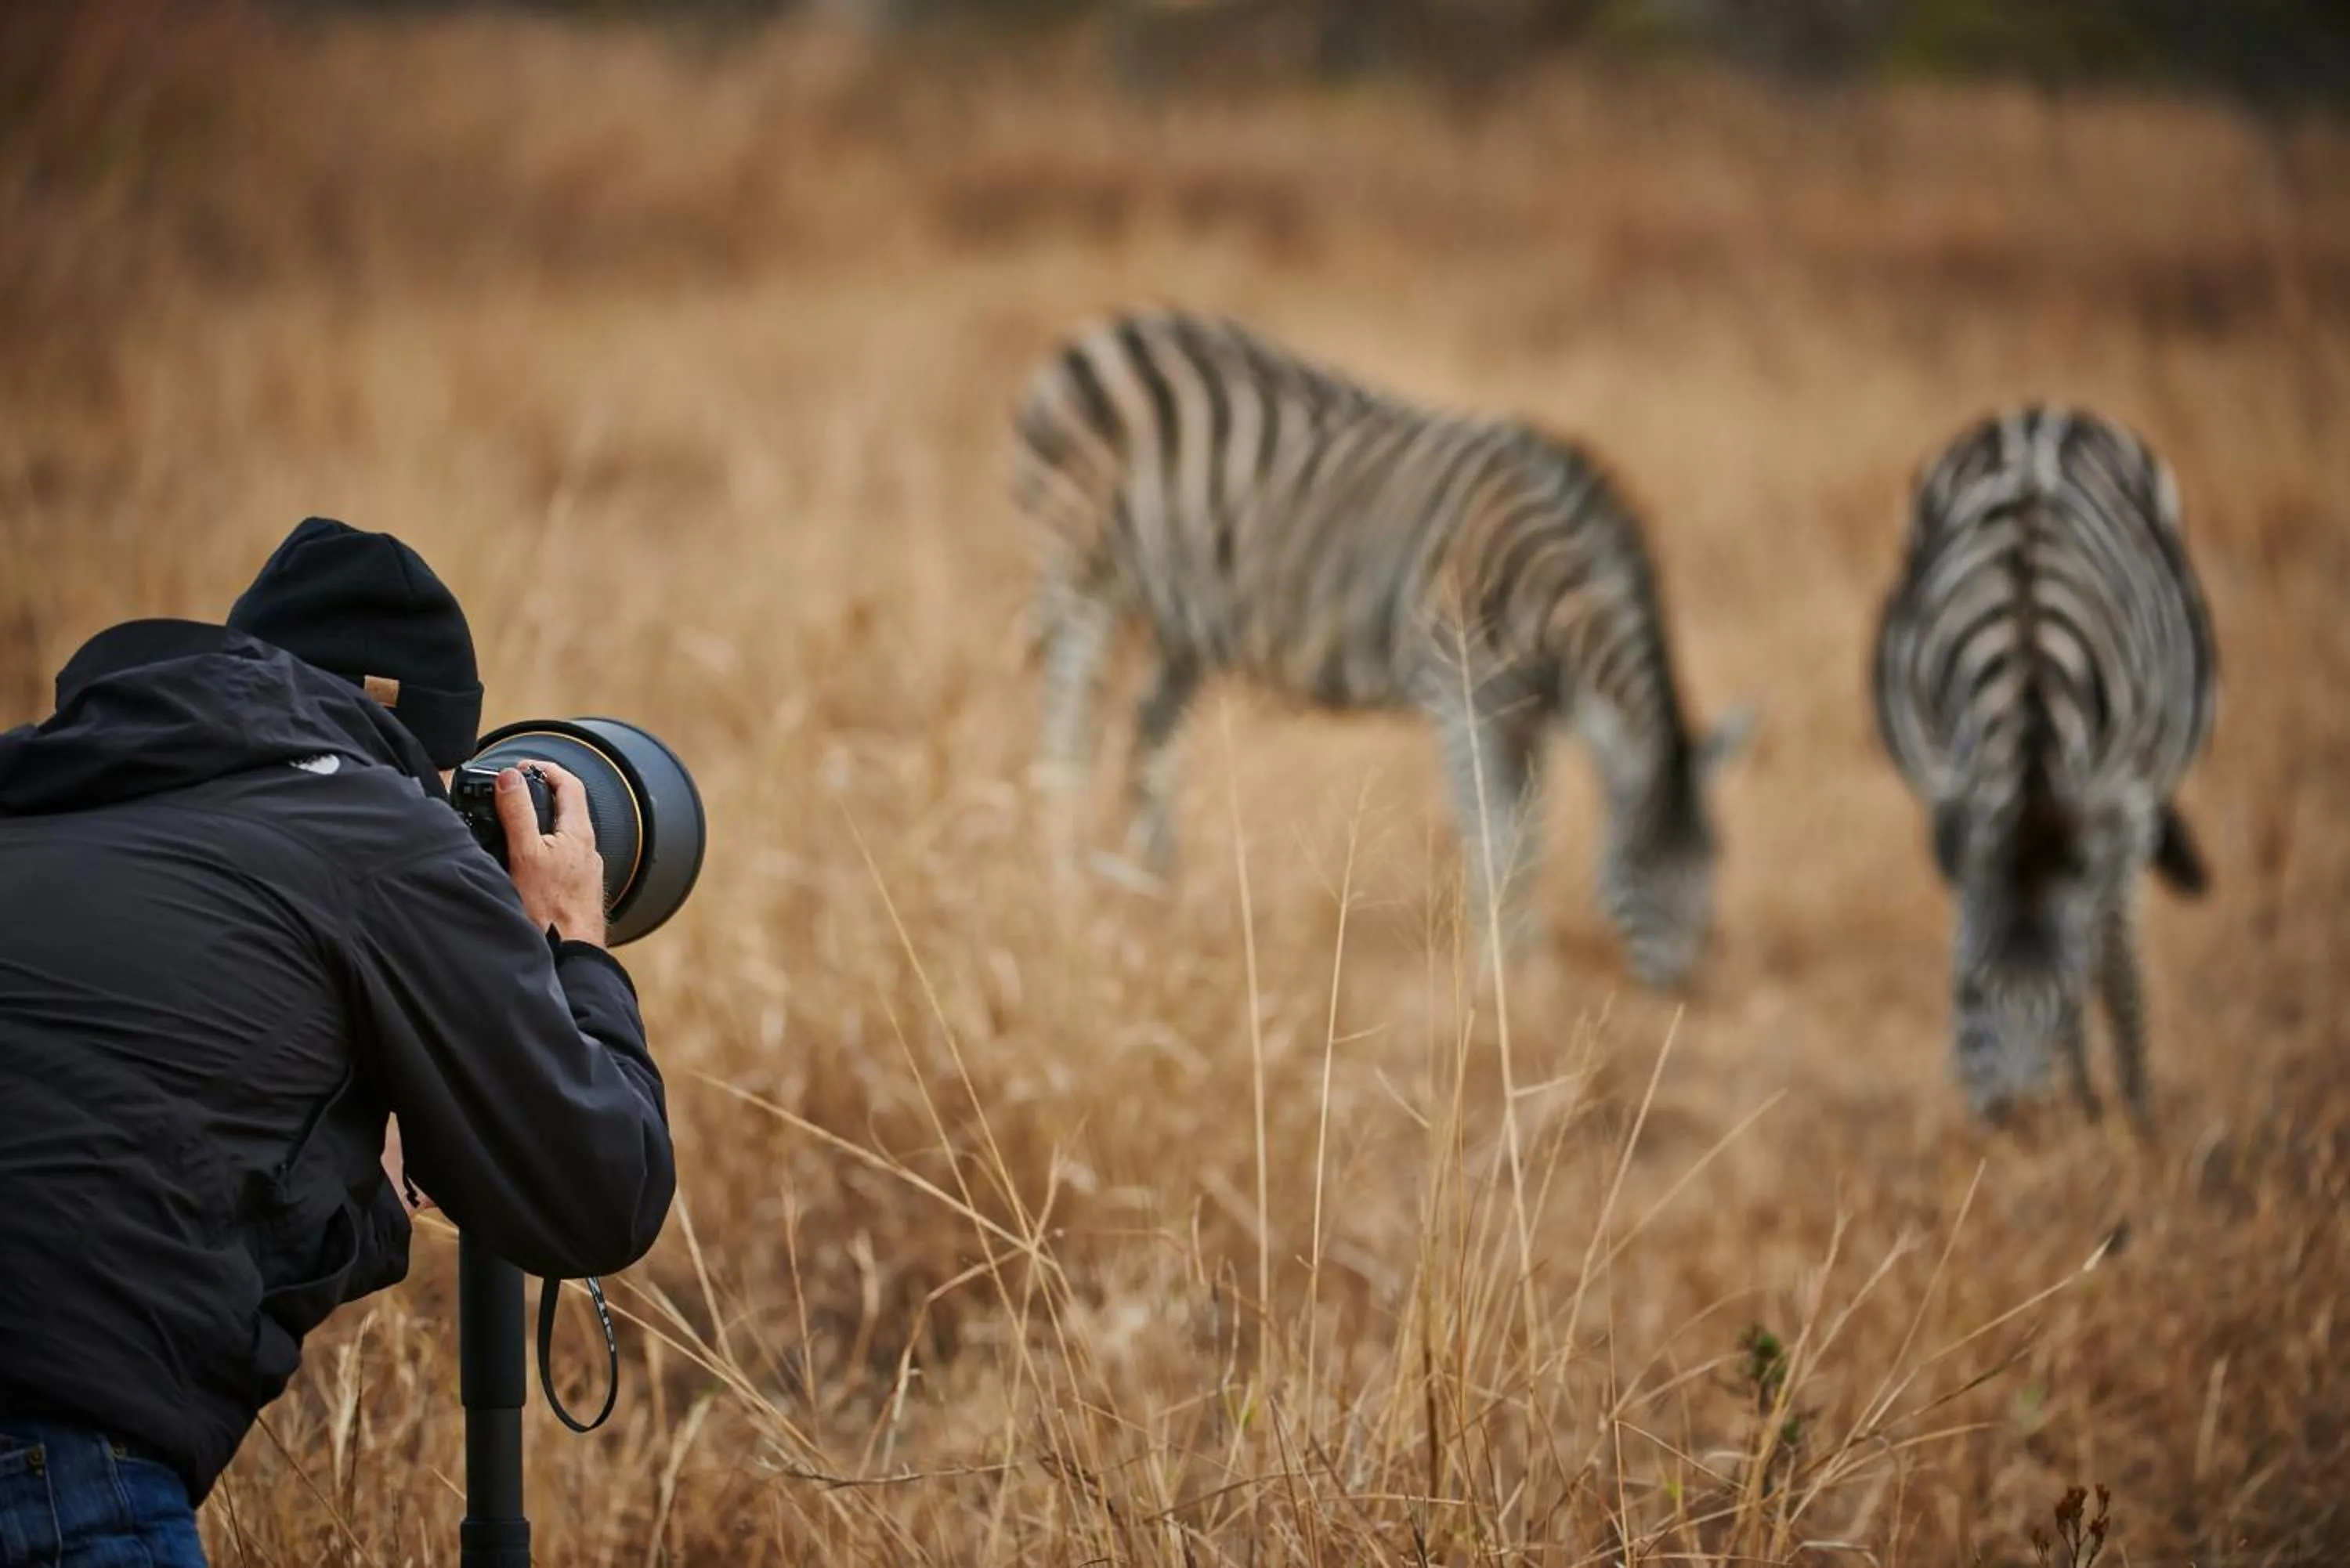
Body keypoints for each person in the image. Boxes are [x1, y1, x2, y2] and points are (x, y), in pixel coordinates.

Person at [0, 517, 677, 1566]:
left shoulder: (48, 786)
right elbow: (600, 1190)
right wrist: (564, 946)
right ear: (425, 757)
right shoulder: (374, 828)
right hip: (59, 1456)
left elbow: (141, 1139)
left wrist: (364, 1168)